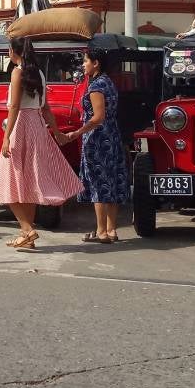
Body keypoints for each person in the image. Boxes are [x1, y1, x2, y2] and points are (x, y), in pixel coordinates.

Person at [0, 37, 83, 250]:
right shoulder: (39, 73)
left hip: (21, 125)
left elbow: (14, 106)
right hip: (37, 125)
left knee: (9, 181)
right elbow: (46, 108)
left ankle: (27, 230)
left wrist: (7, 136)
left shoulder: (18, 72)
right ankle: (27, 237)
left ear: (13, 51)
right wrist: (57, 132)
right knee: (30, 183)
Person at [60, 47, 128, 243]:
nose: (83, 65)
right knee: (113, 181)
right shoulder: (109, 83)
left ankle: (101, 231)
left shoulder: (96, 86)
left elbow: (98, 117)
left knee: (99, 183)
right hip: (113, 136)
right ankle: (111, 230)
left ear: (96, 63)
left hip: (98, 139)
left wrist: (76, 133)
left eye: (86, 61)